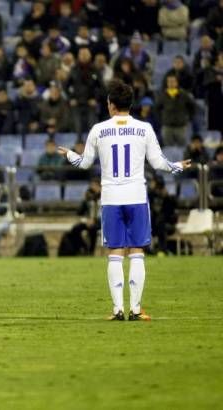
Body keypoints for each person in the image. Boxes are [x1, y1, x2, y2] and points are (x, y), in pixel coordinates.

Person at [58, 80, 191, 321]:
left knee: (115, 253)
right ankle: (136, 310)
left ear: (110, 105)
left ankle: (118, 309)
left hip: (111, 199)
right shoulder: (145, 128)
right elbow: (160, 163)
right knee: (137, 251)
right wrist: (178, 167)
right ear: (131, 105)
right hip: (137, 197)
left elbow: (84, 163)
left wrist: (69, 154)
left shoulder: (98, 130)